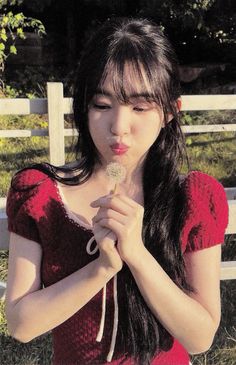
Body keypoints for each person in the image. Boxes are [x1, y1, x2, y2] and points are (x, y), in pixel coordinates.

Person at [5, 17, 228, 365]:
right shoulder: (41, 194)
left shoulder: (192, 199)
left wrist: (137, 255)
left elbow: (199, 337)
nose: (119, 127)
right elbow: (21, 325)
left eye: (140, 107)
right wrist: (101, 268)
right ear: (82, 105)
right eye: (102, 105)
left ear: (170, 111)